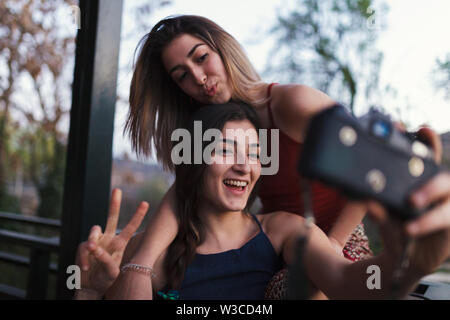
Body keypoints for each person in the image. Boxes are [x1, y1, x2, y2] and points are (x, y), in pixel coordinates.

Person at [74, 15, 444, 298]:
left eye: (202, 58)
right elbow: (183, 190)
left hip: (331, 241)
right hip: (276, 242)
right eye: (182, 75)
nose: (199, 78)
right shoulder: (217, 126)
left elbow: (370, 165)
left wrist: (333, 244)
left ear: (223, 49)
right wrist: (138, 266)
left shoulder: (291, 104)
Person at [78, 102, 450, 300]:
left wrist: (406, 264)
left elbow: (347, 282)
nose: (244, 165)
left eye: (254, 153)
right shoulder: (147, 254)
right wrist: (88, 290)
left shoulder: (284, 231)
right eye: (225, 149)